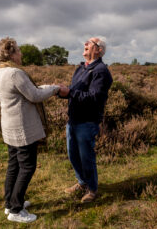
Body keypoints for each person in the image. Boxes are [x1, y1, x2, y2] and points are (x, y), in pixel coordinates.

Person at [0, 37, 60, 223]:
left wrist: (46, 88)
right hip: (22, 129)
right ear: (11, 54)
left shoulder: (2, 71)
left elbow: (30, 92)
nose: (21, 54)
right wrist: (54, 89)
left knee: (14, 165)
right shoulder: (15, 73)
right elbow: (35, 95)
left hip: (10, 127)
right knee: (27, 166)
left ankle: (10, 203)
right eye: (18, 51)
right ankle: (16, 210)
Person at [58, 37, 113, 203]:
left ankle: (92, 189)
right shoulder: (81, 68)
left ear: (99, 50)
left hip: (87, 122)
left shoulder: (101, 71)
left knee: (86, 156)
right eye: (86, 42)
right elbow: (75, 92)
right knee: (73, 154)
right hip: (73, 120)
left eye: (90, 43)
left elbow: (94, 98)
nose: (85, 44)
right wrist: (62, 92)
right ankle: (82, 182)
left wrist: (70, 93)